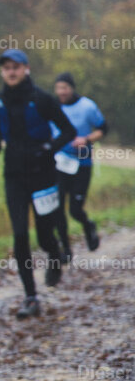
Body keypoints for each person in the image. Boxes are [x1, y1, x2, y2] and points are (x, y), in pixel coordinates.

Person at [0, 49, 76, 320]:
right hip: (14, 175)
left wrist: (49, 148)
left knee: (44, 235)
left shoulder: (42, 99)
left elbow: (69, 131)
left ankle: (55, 255)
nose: (11, 72)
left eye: (15, 67)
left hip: (43, 176)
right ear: (2, 72)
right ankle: (30, 296)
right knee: (19, 236)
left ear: (26, 68)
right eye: (6, 68)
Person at [51, 72, 107, 257]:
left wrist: (86, 139)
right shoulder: (53, 106)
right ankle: (66, 249)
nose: (61, 92)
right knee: (58, 207)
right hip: (60, 163)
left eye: (65, 88)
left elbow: (103, 128)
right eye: (58, 88)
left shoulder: (87, 106)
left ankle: (88, 225)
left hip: (82, 162)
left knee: (75, 210)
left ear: (72, 88)